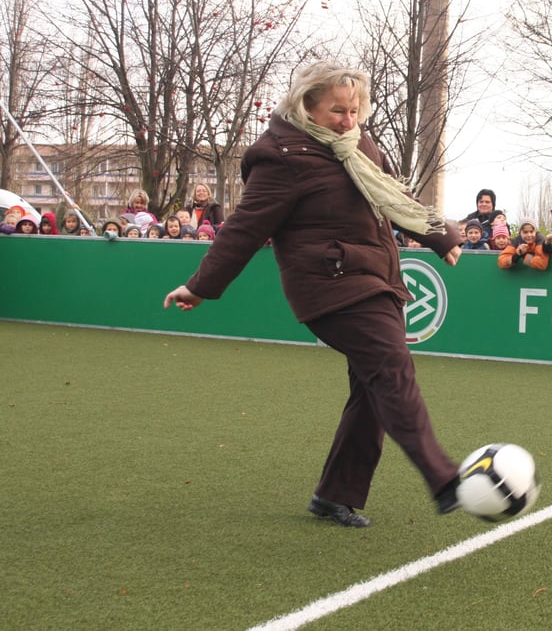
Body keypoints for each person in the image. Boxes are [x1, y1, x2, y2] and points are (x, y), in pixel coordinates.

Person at [163, 62, 463, 528]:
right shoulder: (281, 157)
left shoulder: (358, 143)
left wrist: (441, 235)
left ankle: (334, 495)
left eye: (355, 110)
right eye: (337, 111)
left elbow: (390, 198)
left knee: (371, 389)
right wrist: (201, 286)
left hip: (378, 276)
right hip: (330, 284)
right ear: (306, 106)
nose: (349, 120)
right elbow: (244, 228)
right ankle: (443, 477)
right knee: (390, 368)